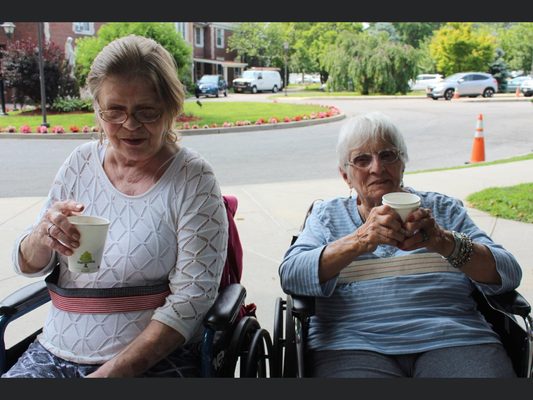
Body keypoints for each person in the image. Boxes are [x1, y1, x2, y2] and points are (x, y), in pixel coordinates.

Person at [2, 35, 228, 378]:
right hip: (55, 349)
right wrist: (43, 236)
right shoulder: (79, 162)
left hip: (153, 360)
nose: (130, 124)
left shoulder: (193, 179)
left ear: (170, 106)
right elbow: (31, 264)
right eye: (115, 111)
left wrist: (109, 375)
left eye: (147, 111)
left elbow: (192, 300)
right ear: (97, 108)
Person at [279, 112, 522, 378]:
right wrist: (359, 240)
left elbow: (508, 273)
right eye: (362, 160)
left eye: (387, 155)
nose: (377, 168)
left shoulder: (444, 210)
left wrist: (444, 242)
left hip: (454, 339)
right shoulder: (326, 216)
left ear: (402, 163)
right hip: (353, 345)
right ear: (345, 176)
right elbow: (291, 275)